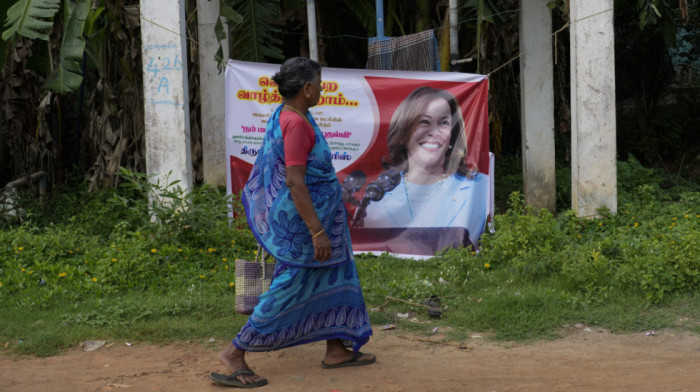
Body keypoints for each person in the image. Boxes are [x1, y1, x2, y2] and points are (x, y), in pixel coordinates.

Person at [209, 57, 375, 388]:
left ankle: (336, 349)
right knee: (291, 286)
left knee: (337, 276)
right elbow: (295, 182)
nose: (323, 88)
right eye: (320, 82)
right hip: (306, 224)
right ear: (307, 89)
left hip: (324, 220)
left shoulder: (294, 113)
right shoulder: (296, 124)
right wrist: (317, 232)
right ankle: (235, 352)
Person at [362, 86, 490, 248]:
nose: (433, 132)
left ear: (452, 133)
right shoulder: (377, 200)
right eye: (424, 122)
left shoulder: (479, 186)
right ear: (404, 131)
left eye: (443, 123)